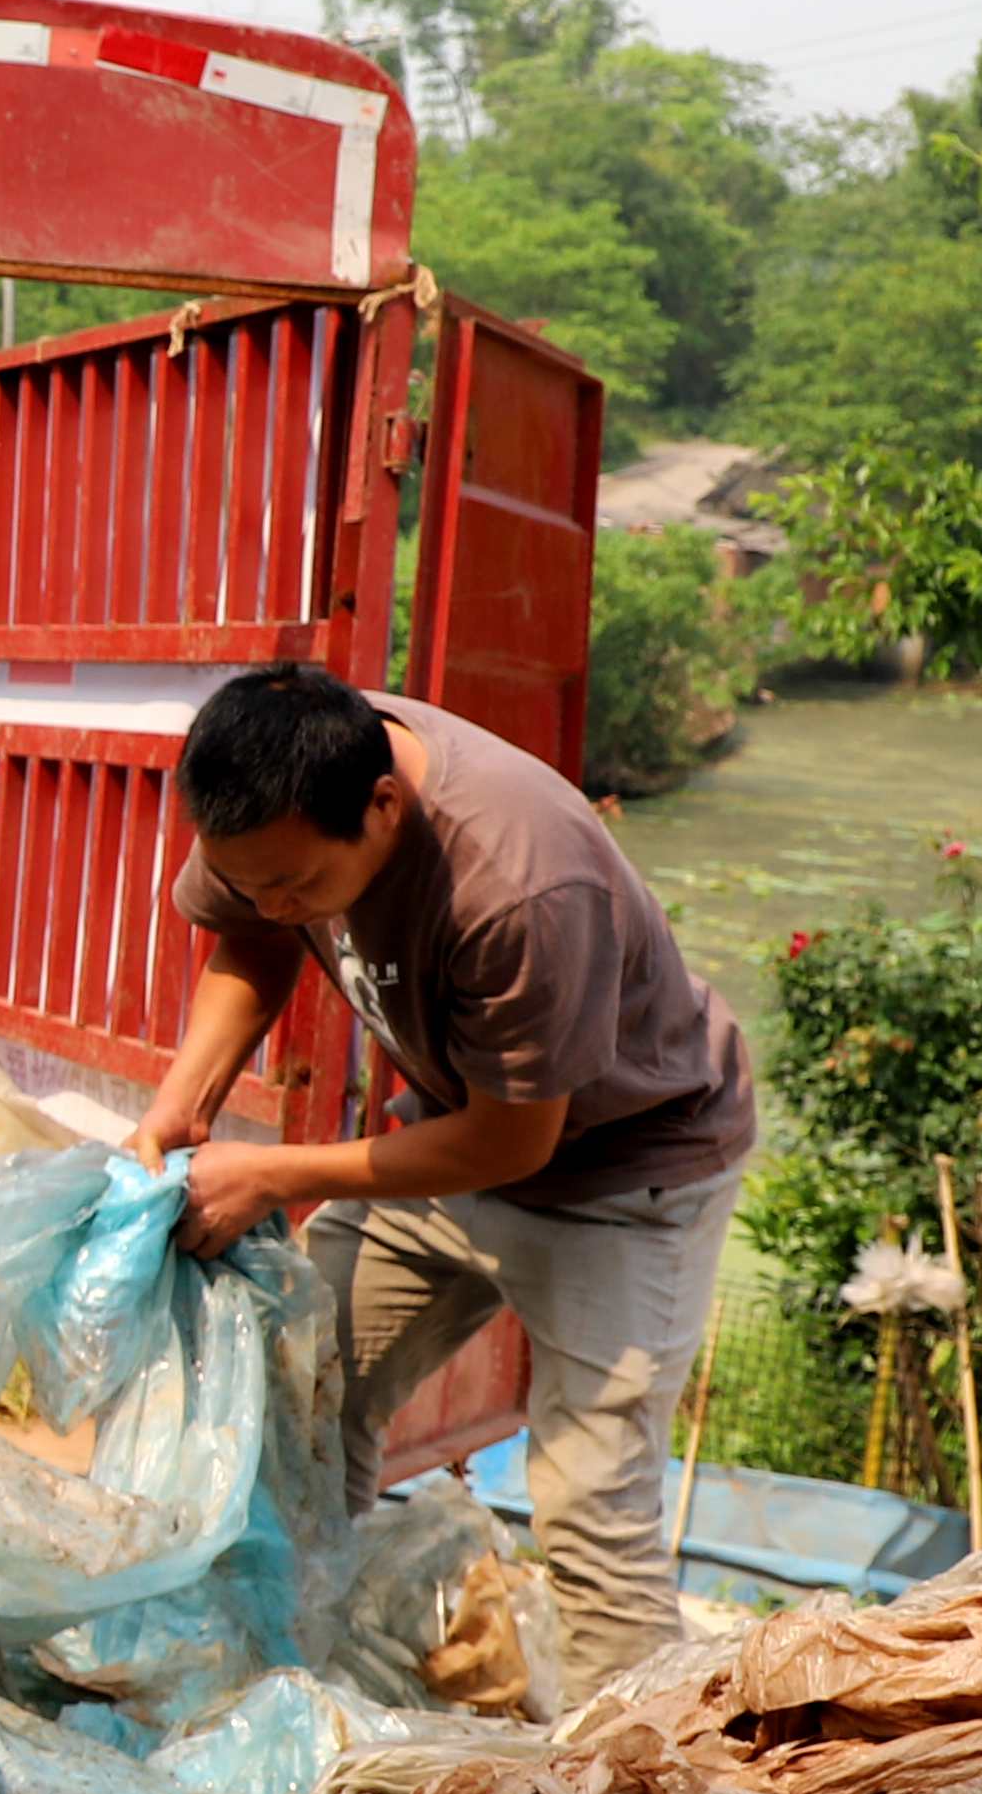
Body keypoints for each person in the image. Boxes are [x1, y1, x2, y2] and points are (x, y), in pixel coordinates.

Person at [132, 659, 756, 1684]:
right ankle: (280, 1686)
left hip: (626, 1176)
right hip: (447, 1135)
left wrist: (275, 1171)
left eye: (302, 884)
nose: (280, 900)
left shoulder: (518, 880)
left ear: (384, 806)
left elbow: (514, 1143)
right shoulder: (279, 805)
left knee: (593, 1510)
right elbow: (251, 934)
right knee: (299, 1397)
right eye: (255, 878)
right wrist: (184, 1100)